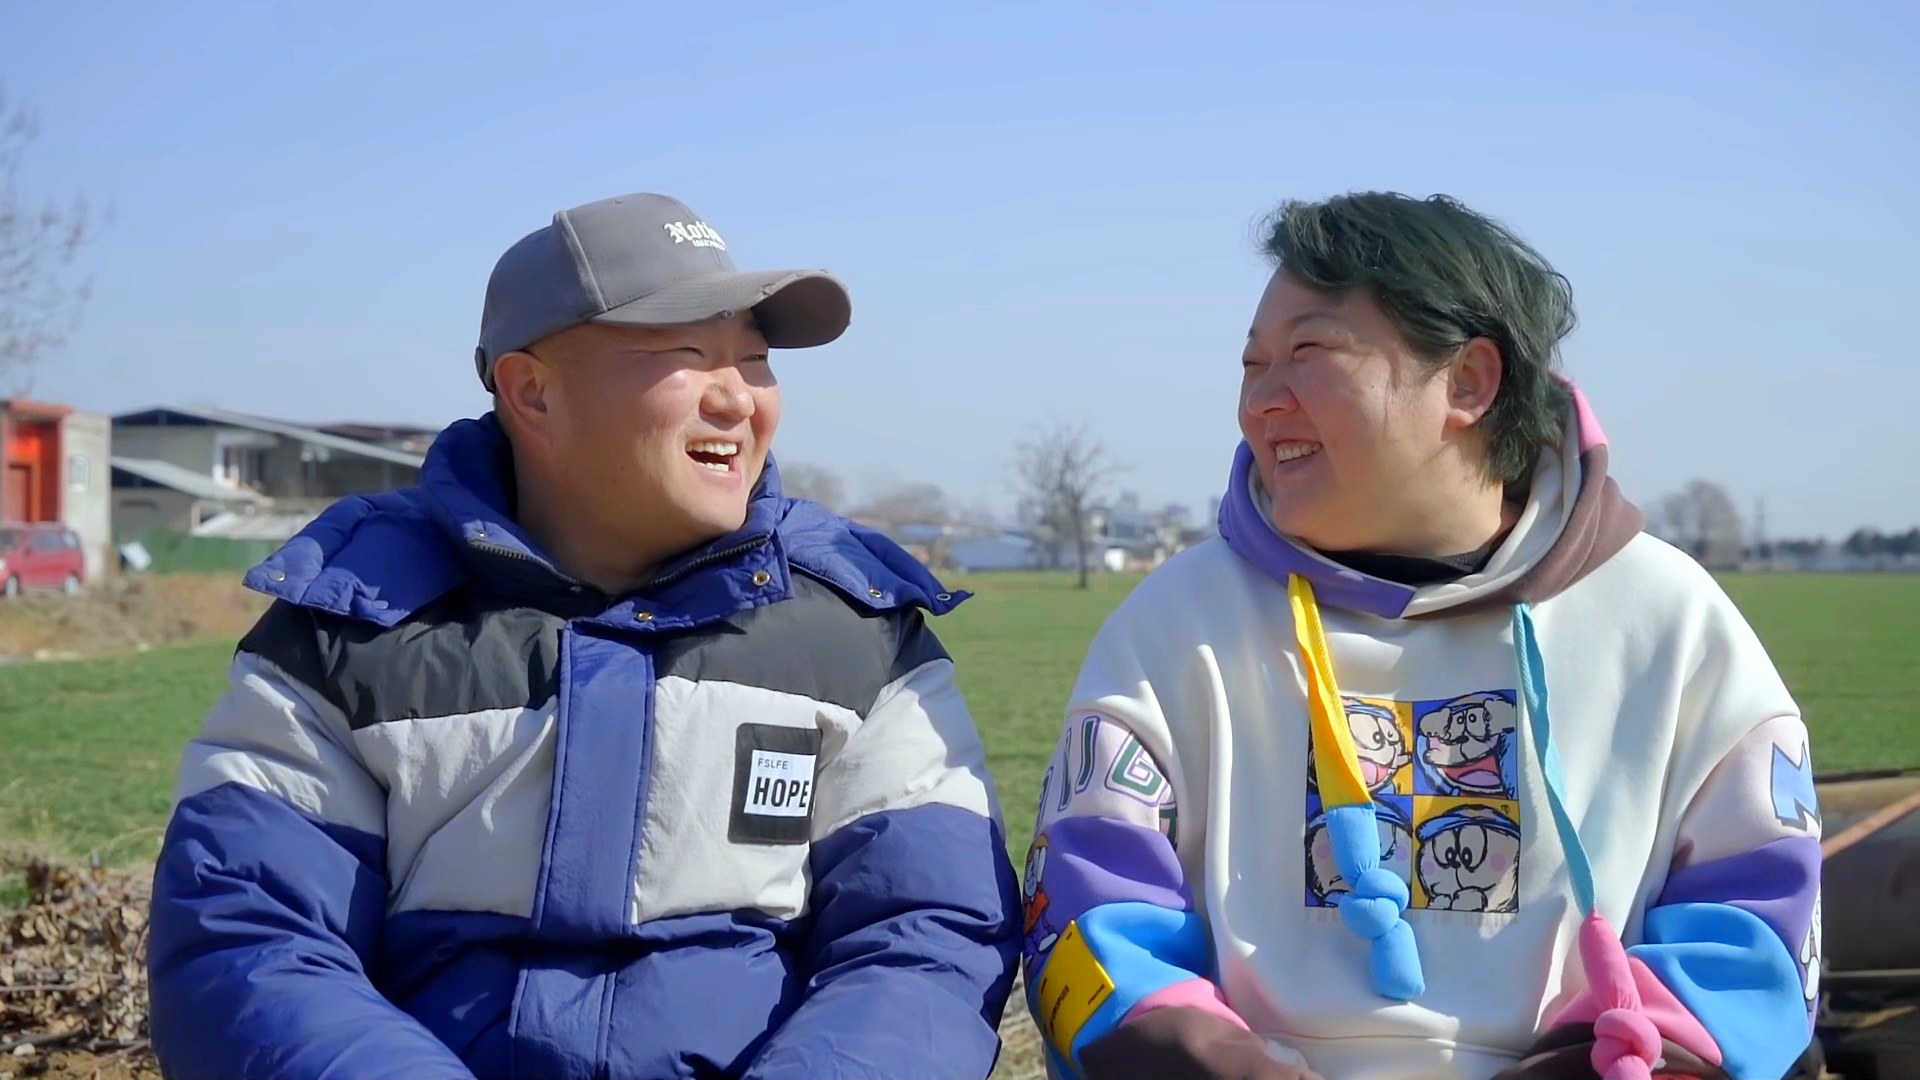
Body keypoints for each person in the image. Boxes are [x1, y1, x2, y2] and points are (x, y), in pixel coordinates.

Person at [146, 191, 1021, 1079]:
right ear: (532, 392)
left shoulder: (858, 636)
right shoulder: (349, 626)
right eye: (688, 356)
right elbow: (250, 942)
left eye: (755, 360)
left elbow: (928, 938)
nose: (737, 399)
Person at [1020, 191, 1820, 1080]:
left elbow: (1751, 947)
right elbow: (1091, 931)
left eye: (1308, 355)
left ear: (1469, 382)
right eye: (1253, 365)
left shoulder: (1671, 623)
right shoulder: (1177, 625)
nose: (1263, 403)